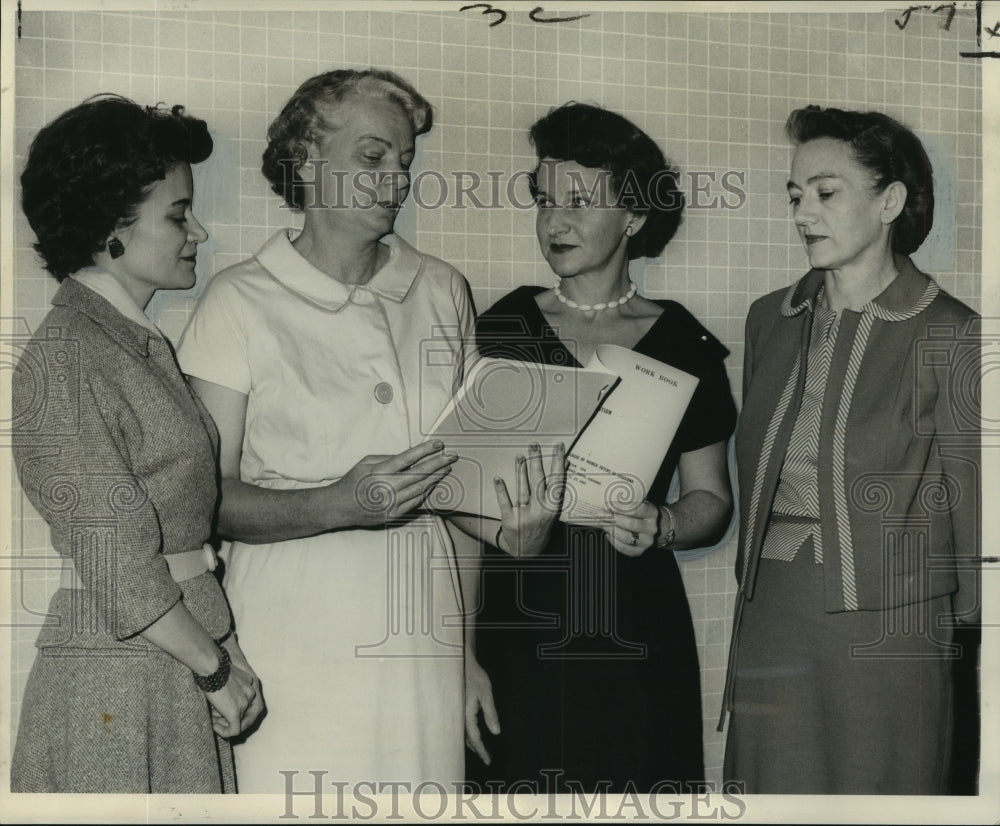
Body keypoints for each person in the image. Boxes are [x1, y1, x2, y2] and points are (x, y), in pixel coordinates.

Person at [177, 69, 561, 793]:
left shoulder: (441, 288)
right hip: (291, 634)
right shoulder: (238, 301)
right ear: (306, 162)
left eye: (406, 161)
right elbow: (206, 503)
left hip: (422, 640)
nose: (396, 180)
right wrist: (335, 504)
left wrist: (518, 535)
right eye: (373, 157)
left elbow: (463, 494)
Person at [468, 102, 737, 793]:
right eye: (544, 199)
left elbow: (711, 500)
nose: (555, 222)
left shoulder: (684, 343)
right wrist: (460, 656)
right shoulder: (500, 328)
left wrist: (667, 524)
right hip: (517, 621)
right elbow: (458, 510)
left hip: (634, 627)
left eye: (580, 202)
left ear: (635, 218)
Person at [721, 105, 981, 794]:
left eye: (827, 192)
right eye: (796, 195)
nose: (805, 212)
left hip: (894, 625)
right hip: (774, 608)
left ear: (890, 200)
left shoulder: (952, 331)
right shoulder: (768, 319)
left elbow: (975, 506)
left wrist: (964, 628)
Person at [11, 95, 263, 793]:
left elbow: (180, 535)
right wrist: (214, 667)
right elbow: (113, 553)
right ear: (111, 227)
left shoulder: (130, 344)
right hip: (114, 674)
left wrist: (224, 653)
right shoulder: (67, 354)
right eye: (179, 214)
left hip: (165, 657)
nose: (200, 232)